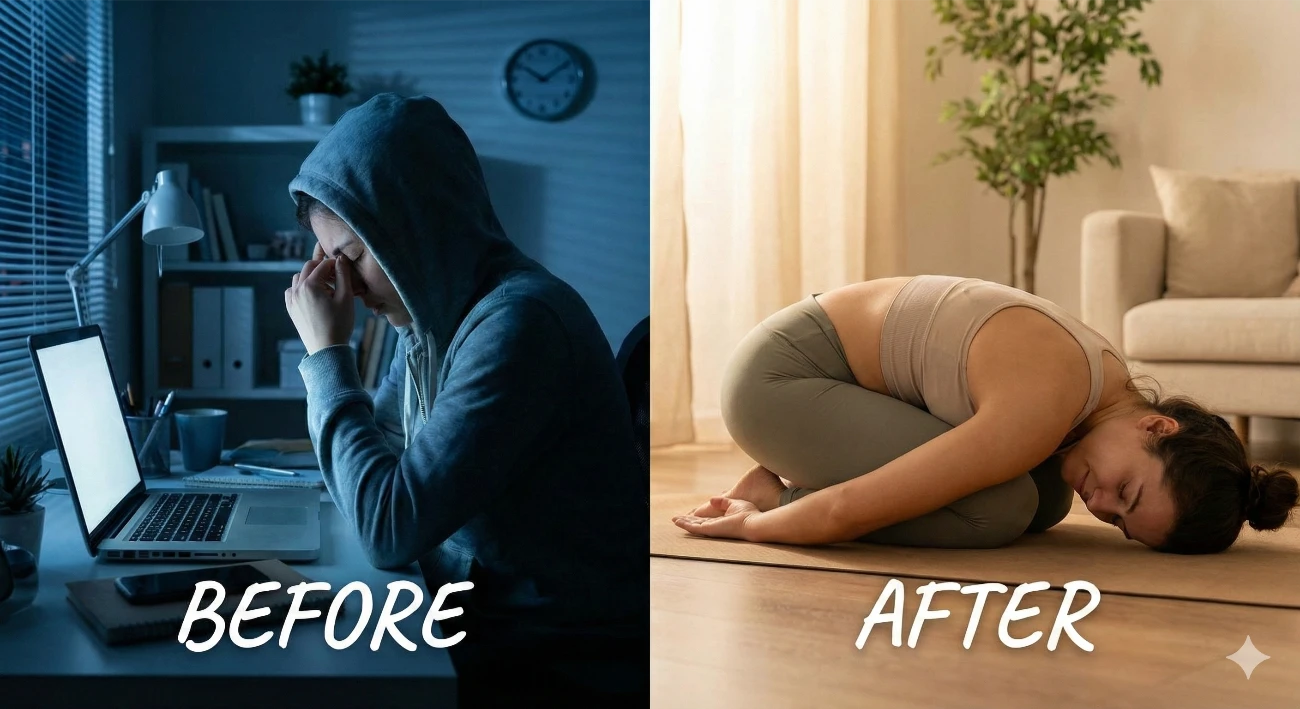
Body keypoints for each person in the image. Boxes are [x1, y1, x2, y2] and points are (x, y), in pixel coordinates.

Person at [282, 93, 648, 705]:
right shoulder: (431, 319)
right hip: (479, 621)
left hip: (551, 657)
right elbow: (389, 459)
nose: (338, 284)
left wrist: (326, 358)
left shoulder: (518, 325)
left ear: (416, 227)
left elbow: (388, 527)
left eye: (348, 256)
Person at [672, 275, 1299, 554]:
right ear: (1159, 425)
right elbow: (845, 510)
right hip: (779, 383)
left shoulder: (1106, 388)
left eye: (1118, 524)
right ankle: (776, 490)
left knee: (1045, 500)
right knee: (1001, 509)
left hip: (822, 378)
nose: (1101, 505)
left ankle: (791, 466)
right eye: (1127, 491)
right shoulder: (1046, 401)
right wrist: (756, 527)